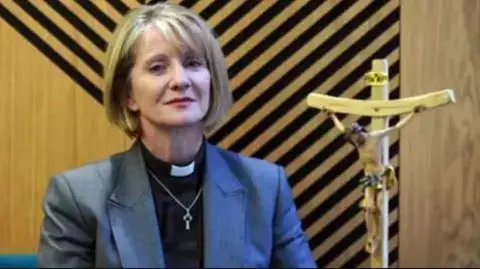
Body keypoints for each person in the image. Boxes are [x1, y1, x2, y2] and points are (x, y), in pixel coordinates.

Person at [37, 2, 316, 268]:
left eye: (193, 63)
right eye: (157, 67)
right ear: (128, 94)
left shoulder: (266, 188)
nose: (180, 80)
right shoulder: (78, 197)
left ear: (211, 79)